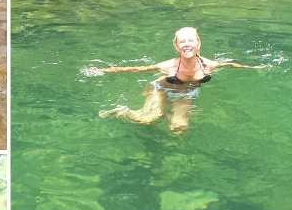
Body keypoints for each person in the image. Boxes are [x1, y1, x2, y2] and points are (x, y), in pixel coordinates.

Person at [90, 27, 263, 132]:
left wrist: (255, 68)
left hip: (186, 92)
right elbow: (137, 69)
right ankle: (123, 111)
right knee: (148, 119)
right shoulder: (169, 66)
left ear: (198, 43)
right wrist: (103, 70)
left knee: (179, 127)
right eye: (182, 41)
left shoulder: (208, 65)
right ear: (176, 46)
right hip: (162, 88)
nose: (187, 44)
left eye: (191, 40)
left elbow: (229, 64)